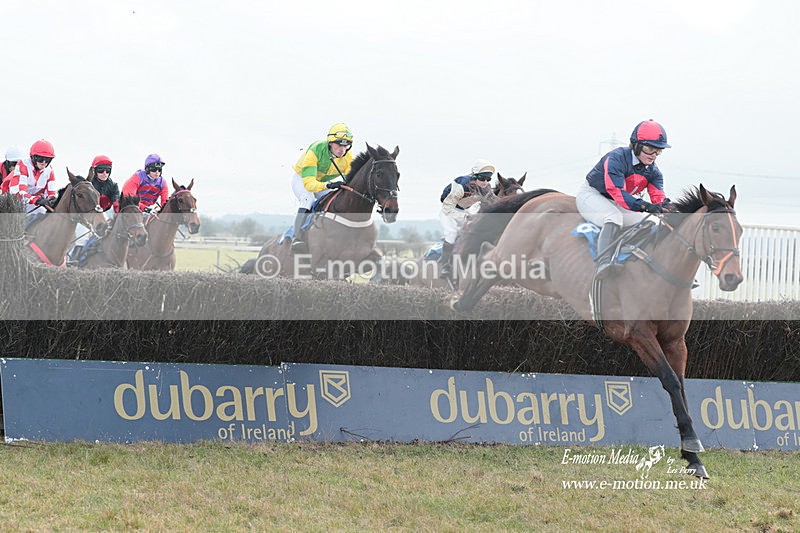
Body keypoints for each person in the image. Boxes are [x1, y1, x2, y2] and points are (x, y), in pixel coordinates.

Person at [576, 119, 671, 279]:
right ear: (637, 145)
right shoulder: (616, 158)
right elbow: (617, 193)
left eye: (658, 151)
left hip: (617, 201)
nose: (654, 156)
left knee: (648, 223)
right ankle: (603, 263)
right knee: (613, 217)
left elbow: (658, 197)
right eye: (650, 149)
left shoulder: (654, 172)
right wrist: (646, 206)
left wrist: (667, 207)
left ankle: (627, 258)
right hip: (592, 195)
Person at [290, 123, 354, 253]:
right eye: (338, 145)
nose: (342, 149)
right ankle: (296, 238)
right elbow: (309, 184)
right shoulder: (316, 150)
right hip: (302, 179)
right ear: (330, 143)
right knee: (307, 199)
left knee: (334, 200)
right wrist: (328, 185)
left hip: (322, 181)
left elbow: (351, 179)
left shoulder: (348, 156)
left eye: (345, 145)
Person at [438, 159, 495, 275]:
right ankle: (445, 265)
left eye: (488, 179)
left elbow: (495, 201)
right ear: (475, 176)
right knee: (452, 233)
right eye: (482, 178)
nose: (485, 182)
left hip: (465, 210)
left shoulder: (486, 188)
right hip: (448, 211)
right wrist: (465, 216)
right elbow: (447, 208)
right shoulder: (461, 185)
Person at [69, 155, 120, 262]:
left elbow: (116, 203)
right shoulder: (89, 185)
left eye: (107, 170)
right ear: (95, 171)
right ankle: (72, 260)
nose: (104, 173)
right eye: (101, 170)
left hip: (101, 214)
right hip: (86, 213)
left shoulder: (113, 186)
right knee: (82, 236)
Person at [3, 139, 58, 213]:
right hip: (12, 202)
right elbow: (17, 195)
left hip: (32, 203)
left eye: (48, 159)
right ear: (33, 157)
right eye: (41, 159)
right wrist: (36, 199)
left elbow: (51, 193)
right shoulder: (23, 165)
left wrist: (51, 199)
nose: (44, 162)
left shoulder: (49, 170)